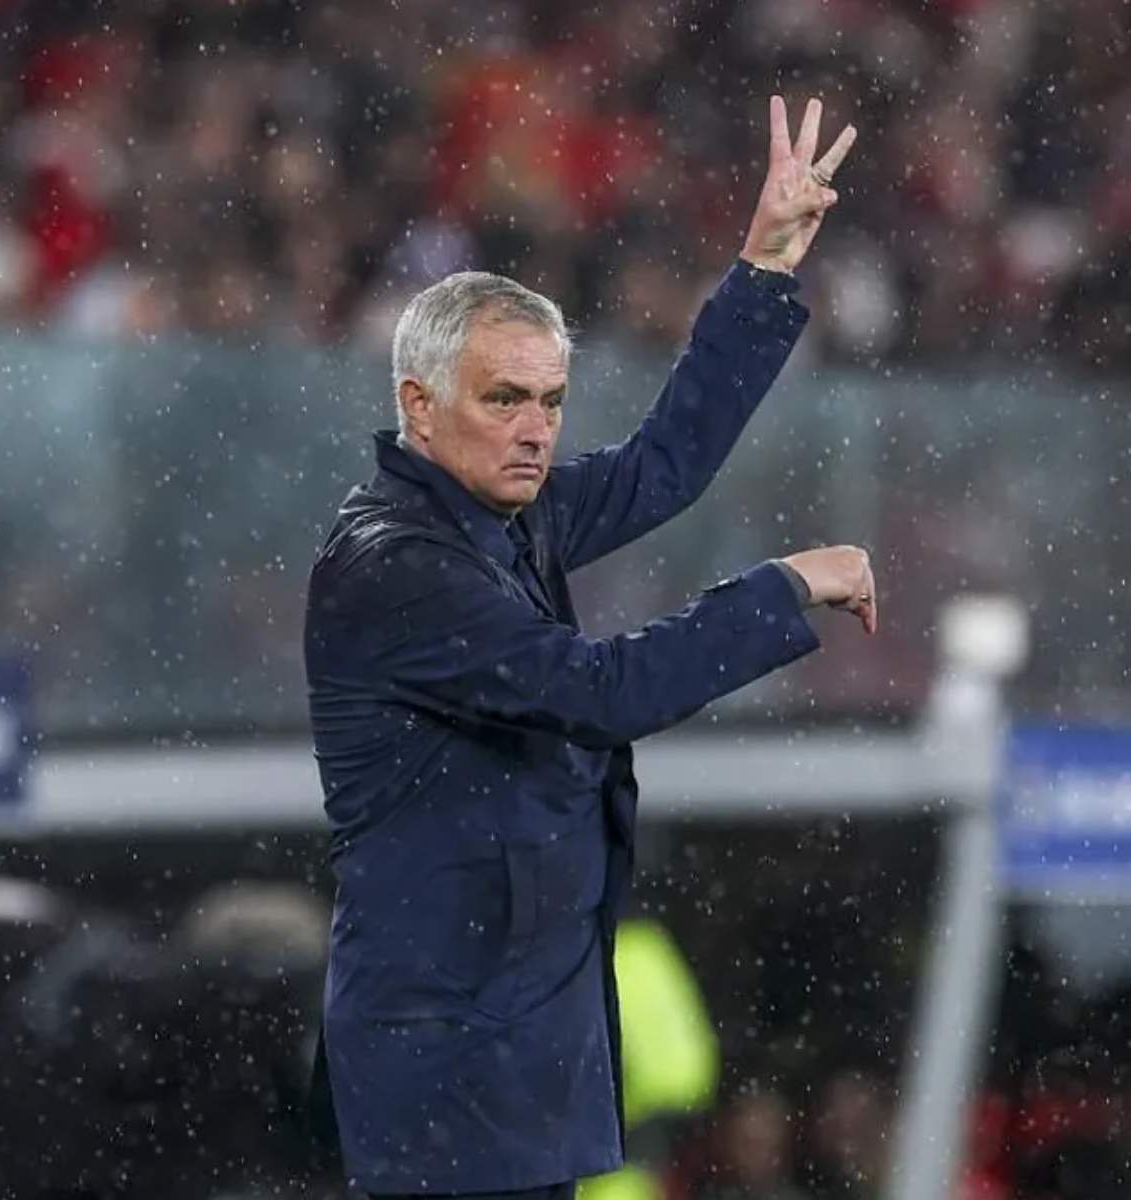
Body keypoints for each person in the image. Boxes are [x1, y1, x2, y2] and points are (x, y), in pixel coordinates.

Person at [305, 95, 874, 1198]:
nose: (535, 430)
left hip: (517, 1040)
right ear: (419, 406)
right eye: (504, 399)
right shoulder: (394, 565)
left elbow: (664, 465)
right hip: (445, 1056)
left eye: (551, 402)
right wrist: (783, 586)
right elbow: (603, 692)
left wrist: (761, 269)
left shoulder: (501, 514)